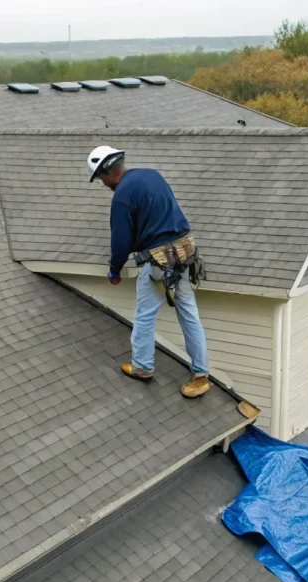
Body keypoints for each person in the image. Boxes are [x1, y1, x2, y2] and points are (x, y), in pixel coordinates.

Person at [88, 145, 211, 400]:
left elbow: (121, 241)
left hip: (158, 261)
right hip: (184, 254)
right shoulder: (152, 174)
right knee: (189, 314)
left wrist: (114, 270)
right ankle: (201, 375)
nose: (103, 184)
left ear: (108, 172)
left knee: (144, 315)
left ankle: (142, 367)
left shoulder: (122, 196)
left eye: (101, 178)